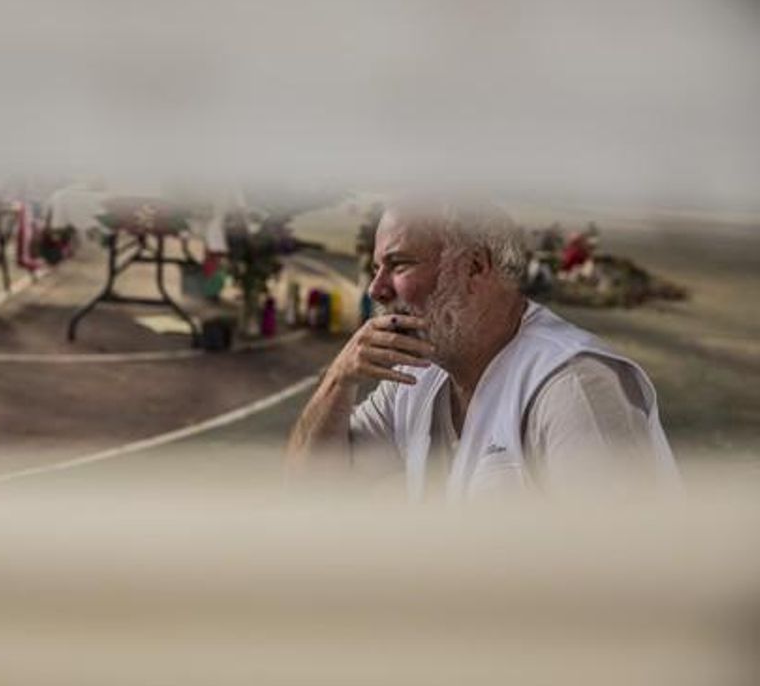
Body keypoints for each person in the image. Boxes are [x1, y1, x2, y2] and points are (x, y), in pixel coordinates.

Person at [286, 201, 680, 501]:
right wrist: (338, 380)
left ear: (475, 266)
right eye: (376, 268)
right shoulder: (419, 374)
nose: (376, 289)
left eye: (399, 264)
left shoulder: (573, 389)